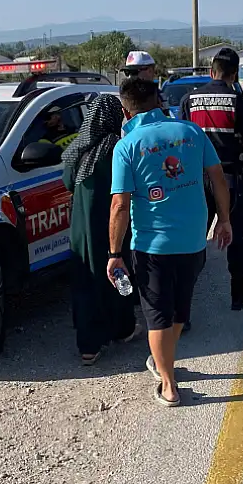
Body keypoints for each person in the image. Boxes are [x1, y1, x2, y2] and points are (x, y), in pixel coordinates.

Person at [107, 78, 232, 407]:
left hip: (153, 247)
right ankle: (162, 361)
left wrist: (114, 254)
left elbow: (120, 204)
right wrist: (225, 219)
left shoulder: (127, 146)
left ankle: (168, 384)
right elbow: (217, 177)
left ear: (125, 110)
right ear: (160, 100)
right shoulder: (191, 132)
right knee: (179, 310)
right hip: (193, 241)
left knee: (157, 315)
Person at [178, 47, 243, 311]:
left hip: (195, 181)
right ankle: (238, 295)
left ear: (211, 71)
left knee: (192, 240)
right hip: (229, 180)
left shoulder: (189, 100)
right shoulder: (237, 99)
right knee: (235, 236)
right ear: (234, 74)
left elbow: (180, 139)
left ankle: (183, 310)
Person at [62, 94, 137, 365]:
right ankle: (123, 329)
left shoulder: (78, 151)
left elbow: (68, 183)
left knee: (85, 282)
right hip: (113, 227)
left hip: (83, 230)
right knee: (119, 274)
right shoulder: (120, 148)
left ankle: (89, 346)